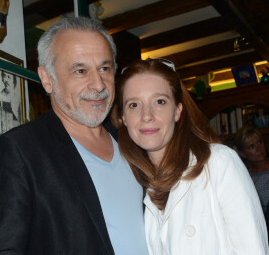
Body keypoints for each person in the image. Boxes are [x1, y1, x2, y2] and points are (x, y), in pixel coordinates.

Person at [0, 17, 149, 255]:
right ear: (47, 79)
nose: (98, 84)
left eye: (104, 68)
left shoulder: (133, 144)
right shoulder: (19, 152)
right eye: (80, 70)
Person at [112, 58, 268, 254]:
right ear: (123, 118)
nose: (146, 115)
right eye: (134, 105)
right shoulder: (135, 184)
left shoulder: (219, 162)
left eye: (160, 101)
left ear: (178, 111)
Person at [235, 125, 269, 237]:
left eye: (260, 142)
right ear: (242, 154)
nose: (259, 149)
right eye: (251, 146)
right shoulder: (245, 179)